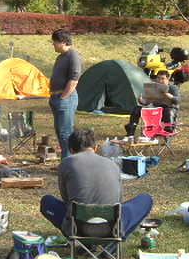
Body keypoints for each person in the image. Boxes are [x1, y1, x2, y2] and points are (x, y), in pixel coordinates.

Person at [40, 128, 153, 239]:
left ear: (71, 150)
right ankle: (112, 243)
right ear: (95, 148)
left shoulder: (66, 164)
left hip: (77, 228)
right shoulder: (112, 165)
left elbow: (66, 198)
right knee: (145, 199)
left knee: (47, 201)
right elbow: (118, 200)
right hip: (111, 228)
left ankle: (80, 242)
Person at [49, 29, 82, 159]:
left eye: (54, 42)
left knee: (65, 133)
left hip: (66, 99)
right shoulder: (60, 57)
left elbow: (74, 80)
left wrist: (63, 98)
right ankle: (66, 161)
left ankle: (68, 163)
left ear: (63, 42)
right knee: (60, 132)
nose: (53, 44)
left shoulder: (73, 56)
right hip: (56, 97)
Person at [125, 70, 180, 136]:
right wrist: (141, 100)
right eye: (158, 78)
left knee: (168, 111)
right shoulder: (153, 87)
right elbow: (147, 102)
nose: (160, 80)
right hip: (155, 110)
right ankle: (130, 130)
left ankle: (168, 131)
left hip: (167, 110)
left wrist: (167, 95)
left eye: (163, 79)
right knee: (137, 109)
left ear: (168, 79)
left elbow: (177, 100)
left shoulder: (173, 88)